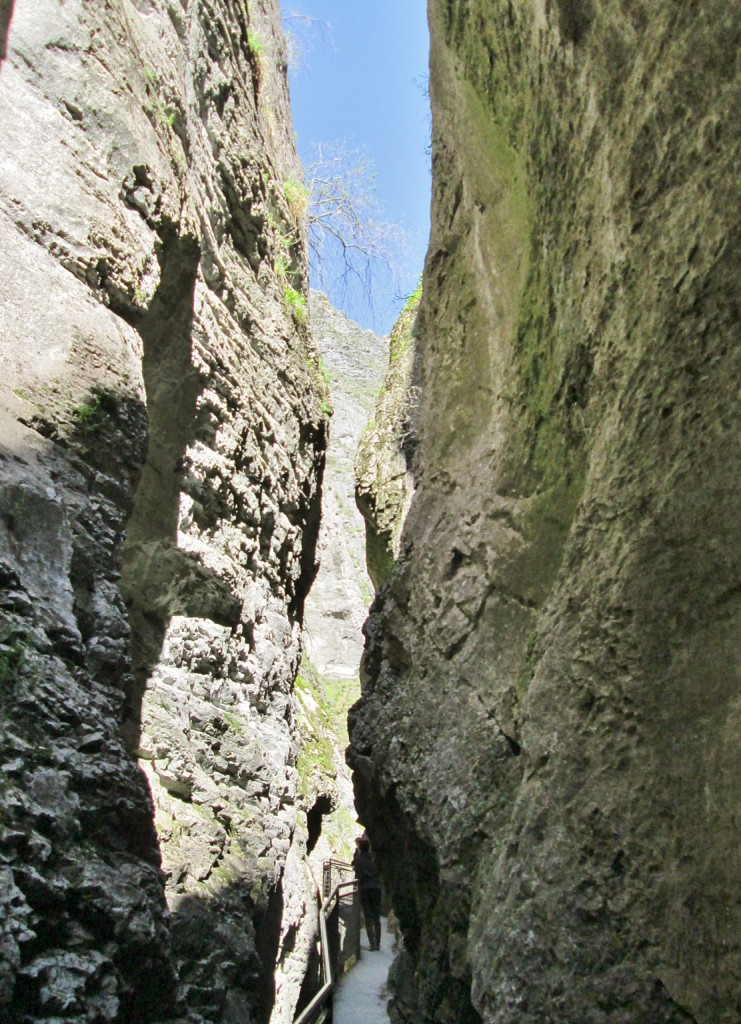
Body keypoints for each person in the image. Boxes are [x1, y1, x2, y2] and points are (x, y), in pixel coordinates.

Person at [352, 834, 382, 951]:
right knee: (376, 916)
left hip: (365, 889)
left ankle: (372, 944)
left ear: (360, 847)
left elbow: (358, 875)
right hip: (376, 888)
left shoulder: (358, 859)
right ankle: (378, 943)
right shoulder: (374, 858)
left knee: (368, 917)